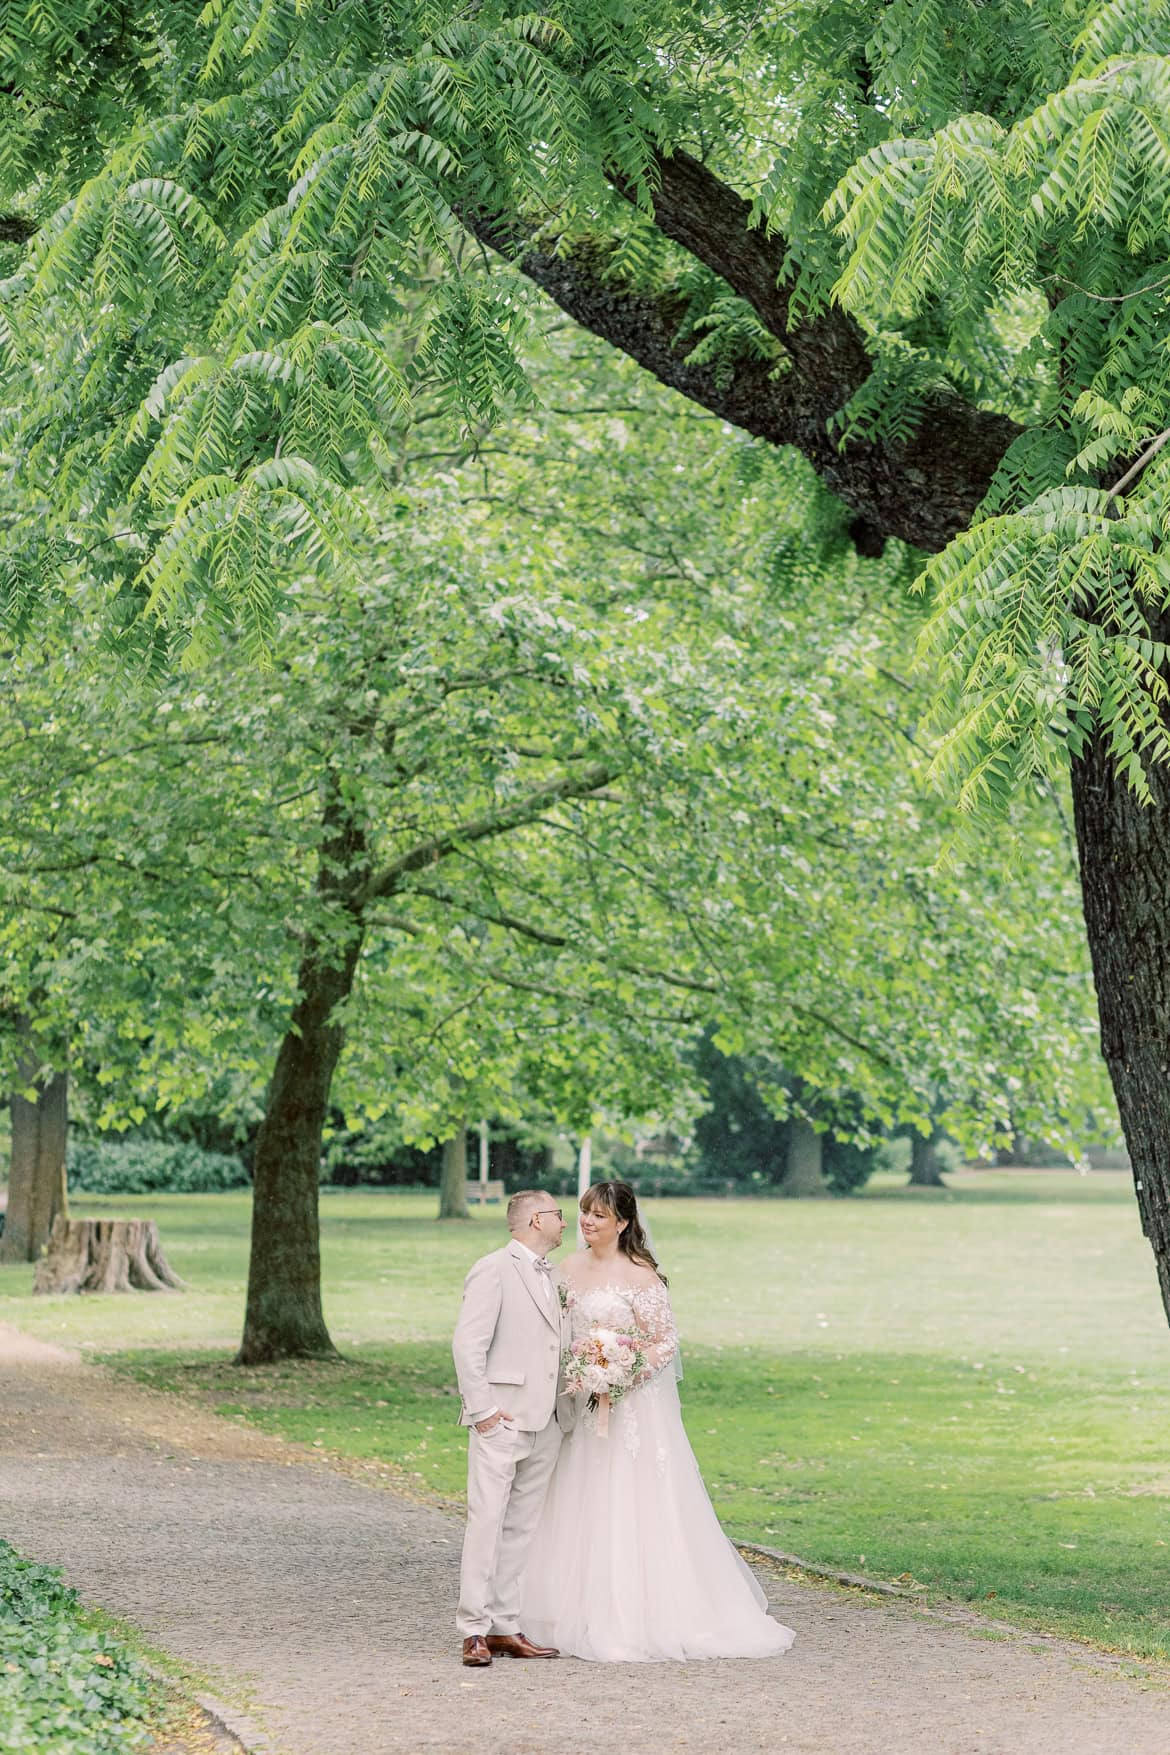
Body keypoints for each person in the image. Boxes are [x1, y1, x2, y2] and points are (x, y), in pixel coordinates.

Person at [521, 1179, 796, 1663]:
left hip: (632, 1411)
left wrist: (619, 1374)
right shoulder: (566, 1269)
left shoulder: (641, 1276)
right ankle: (567, 1609)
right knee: (577, 1495)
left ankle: (640, 1615)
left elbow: (664, 1342)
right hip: (583, 1409)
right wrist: (585, 1372)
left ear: (623, 1223)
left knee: (633, 1497)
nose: (586, 1222)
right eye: (584, 1212)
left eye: (599, 1215)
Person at [451, 1187, 571, 1667]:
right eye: (559, 1215)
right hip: (501, 1419)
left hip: (549, 1421)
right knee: (486, 1523)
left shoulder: (556, 1275)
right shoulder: (493, 1268)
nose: (566, 1222)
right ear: (536, 1220)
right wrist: (482, 1412)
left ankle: (506, 1627)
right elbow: (467, 1344)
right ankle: (472, 1630)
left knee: (522, 1527)